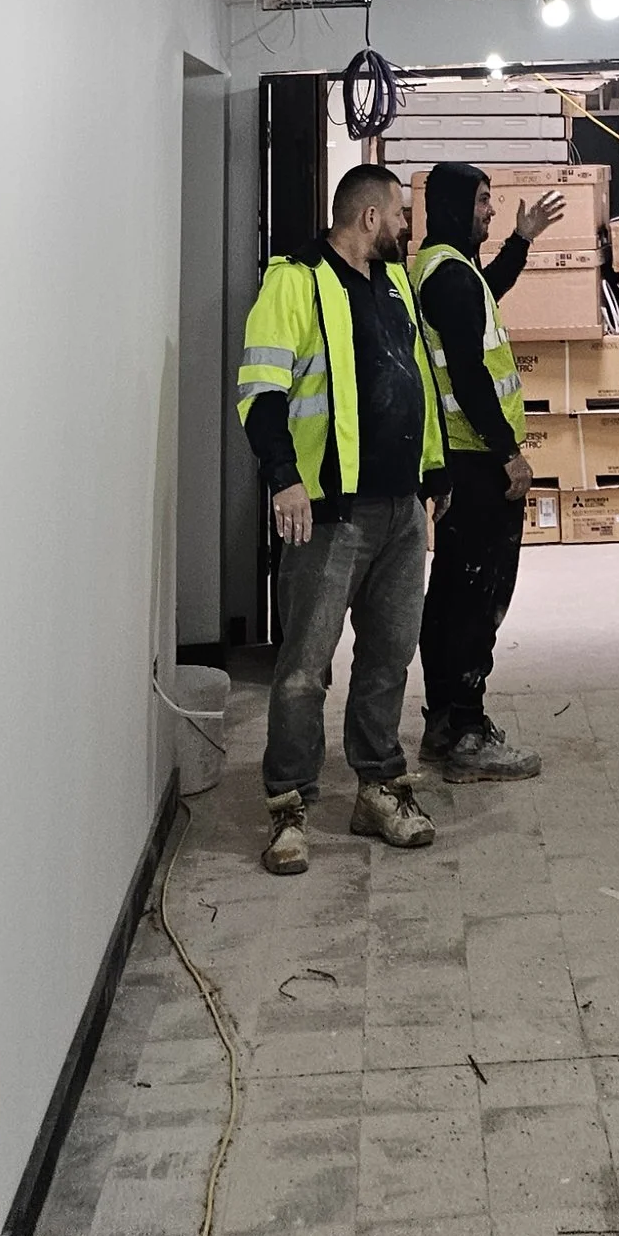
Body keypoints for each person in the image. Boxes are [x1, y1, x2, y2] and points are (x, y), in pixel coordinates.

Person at [236, 163, 445, 875]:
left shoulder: (395, 286)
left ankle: (379, 788)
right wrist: (284, 477)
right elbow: (261, 389)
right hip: (330, 512)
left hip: (399, 510)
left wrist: (434, 472)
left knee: (389, 655)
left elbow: (416, 379)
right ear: (368, 217)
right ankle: (289, 806)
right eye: (400, 213)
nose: (407, 225)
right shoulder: (294, 279)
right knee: (303, 667)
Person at [412, 160, 566, 777]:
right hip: (476, 459)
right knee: (476, 596)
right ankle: (467, 735)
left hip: (459, 457)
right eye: (483, 200)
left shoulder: (443, 268)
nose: (491, 210)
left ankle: (446, 725)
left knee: (452, 594)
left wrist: (521, 241)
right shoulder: (449, 276)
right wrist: (508, 451)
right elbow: (472, 377)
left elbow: (486, 290)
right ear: (454, 205)